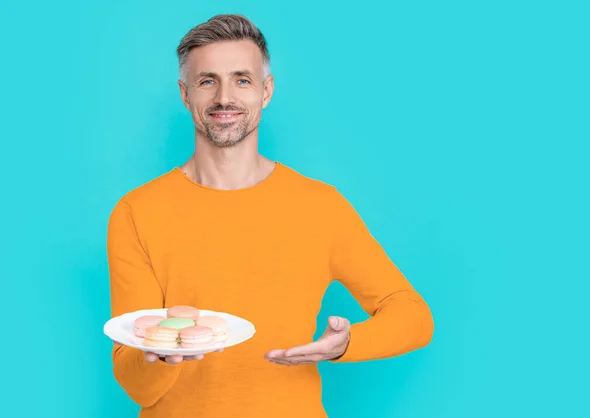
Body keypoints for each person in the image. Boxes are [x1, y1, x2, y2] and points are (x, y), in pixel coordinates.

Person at [107, 13, 434, 418]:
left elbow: (413, 316)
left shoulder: (321, 205)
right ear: (185, 94)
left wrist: (347, 344)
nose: (224, 97)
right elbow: (134, 382)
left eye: (242, 79)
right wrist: (161, 357)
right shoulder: (137, 211)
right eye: (207, 80)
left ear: (266, 91)